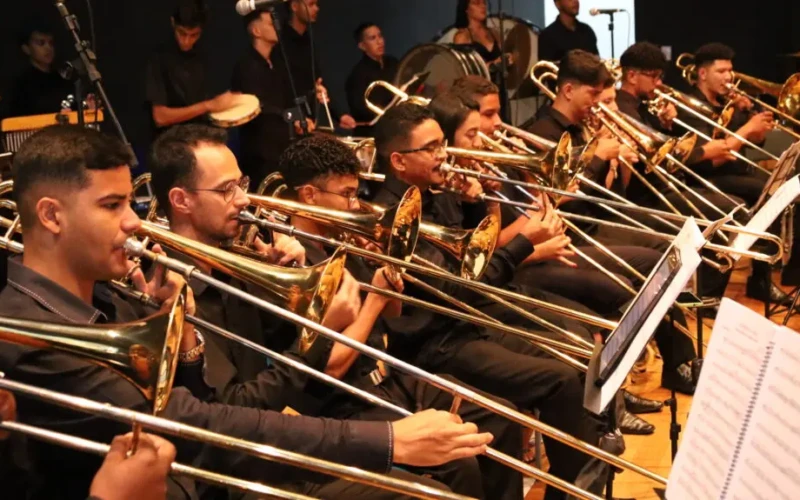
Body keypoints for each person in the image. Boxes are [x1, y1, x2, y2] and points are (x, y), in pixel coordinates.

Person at [0, 124, 492, 498]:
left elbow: (202, 398)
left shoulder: (115, 294)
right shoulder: (25, 331)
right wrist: (385, 440)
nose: (133, 221)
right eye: (111, 205)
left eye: (130, 200)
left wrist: (188, 340)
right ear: (50, 215)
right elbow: (195, 421)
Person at [147, 123, 498, 498]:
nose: (244, 200)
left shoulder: (236, 261)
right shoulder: (171, 289)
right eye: (225, 190)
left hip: (296, 425)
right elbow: (234, 408)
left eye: (242, 184)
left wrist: (295, 278)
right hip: (249, 468)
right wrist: (319, 332)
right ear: (181, 200)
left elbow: (282, 347)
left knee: (464, 454)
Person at [372, 101, 612, 500]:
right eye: (430, 148)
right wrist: (521, 245)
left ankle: (584, 468)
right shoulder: (389, 218)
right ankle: (572, 488)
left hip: (468, 323)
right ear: (398, 160)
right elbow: (452, 289)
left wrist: (475, 205)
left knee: (579, 355)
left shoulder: (437, 193)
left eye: (442, 144)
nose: (443, 155)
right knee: (560, 381)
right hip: (435, 344)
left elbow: (472, 258)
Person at [277, 134, 529, 499]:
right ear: (309, 196)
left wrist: (387, 271)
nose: (354, 204)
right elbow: (330, 365)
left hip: (390, 376)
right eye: (346, 194)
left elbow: (391, 318)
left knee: (500, 416)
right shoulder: (294, 265)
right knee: (460, 460)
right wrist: (376, 299)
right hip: (343, 405)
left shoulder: (342, 238)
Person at [676, 42, 786, 304]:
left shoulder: (728, 103)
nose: (729, 77)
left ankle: (761, 277)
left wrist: (753, 124)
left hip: (733, 171)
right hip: (703, 178)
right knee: (763, 191)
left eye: (730, 70)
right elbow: (705, 160)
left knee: (775, 187)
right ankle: (738, 283)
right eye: (722, 71)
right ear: (703, 74)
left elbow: (743, 145)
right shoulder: (690, 105)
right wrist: (746, 129)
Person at [233, 9, 310, 184]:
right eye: (270, 23)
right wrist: (290, 117)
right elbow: (256, 105)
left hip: (283, 147)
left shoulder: (278, 62)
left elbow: (290, 94)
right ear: (256, 31)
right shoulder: (246, 65)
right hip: (259, 152)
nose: (277, 27)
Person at [144, 0, 237, 133]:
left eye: (194, 35)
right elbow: (160, 117)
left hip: (201, 135)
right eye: (182, 33)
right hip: (171, 142)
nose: (187, 41)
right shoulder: (158, 59)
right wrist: (207, 106)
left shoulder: (204, 56)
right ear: (173, 23)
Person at [280, 0, 357, 131]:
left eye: (316, 4)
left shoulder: (307, 39)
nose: (316, 9)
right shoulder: (281, 41)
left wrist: (339, 114)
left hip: (308, 121)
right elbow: (282, 86)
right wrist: (296, 117)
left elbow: (317, 79)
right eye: (311, 4)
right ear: (294, 6)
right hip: (288, 123)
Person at [2, 18, 73, 118]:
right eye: (41, 43)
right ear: (26, 49)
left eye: (51, 43)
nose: (48, 48)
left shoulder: (61, 80)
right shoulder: (20, 85)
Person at [345, 22, 399, 136]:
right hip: (375, 133)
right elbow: (362, 111)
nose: (379, 41)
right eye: (372, 38)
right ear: (362, 46)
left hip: (397, 125)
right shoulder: (357, 75)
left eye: (380, 36)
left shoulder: (393, 62)